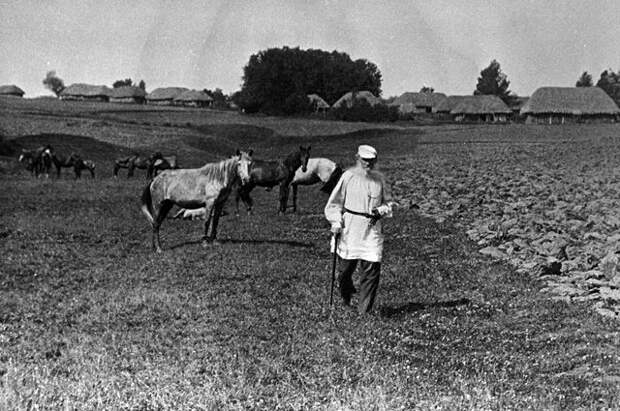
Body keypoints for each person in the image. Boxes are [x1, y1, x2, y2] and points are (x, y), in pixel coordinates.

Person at [324, 144, 395, 313]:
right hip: (350, 228)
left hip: (371, 229)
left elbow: (390, 201)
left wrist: (384, 209)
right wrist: (335, 222)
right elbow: (333, 203)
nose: (368, 164)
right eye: (365, 160)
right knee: (344, 270)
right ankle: (346, 297)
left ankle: (364, 311)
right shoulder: (347, 177)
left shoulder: (380, 179)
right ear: (358, 158)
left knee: (371, 270)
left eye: (371, 161)